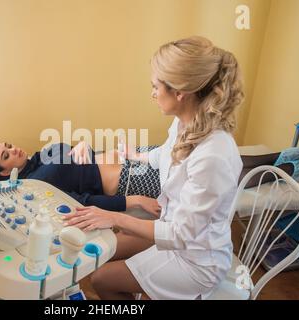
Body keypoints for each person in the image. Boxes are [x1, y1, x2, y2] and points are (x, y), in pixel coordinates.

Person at [63, 36, 245, 300]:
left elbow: (181, 235)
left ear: (180, 92)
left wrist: (115, 217)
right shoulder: (185, 123)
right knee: (103, 252)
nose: (152, 94)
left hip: (196, 260)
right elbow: (166, 153)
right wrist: (134, 155)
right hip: (173, 232)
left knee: (102, 279)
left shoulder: (213, 156)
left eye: (156, 86)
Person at [0, 141, 162, 216]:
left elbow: (74, 152)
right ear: (5, 173)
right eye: (6, 156)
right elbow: (83, 203)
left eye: (9, 146)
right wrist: (135, 201)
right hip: (130, 179)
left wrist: (84, 145)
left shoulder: (43, 154)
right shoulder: (36, 185)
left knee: (184, 152)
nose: (13, 150)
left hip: (133, 154)